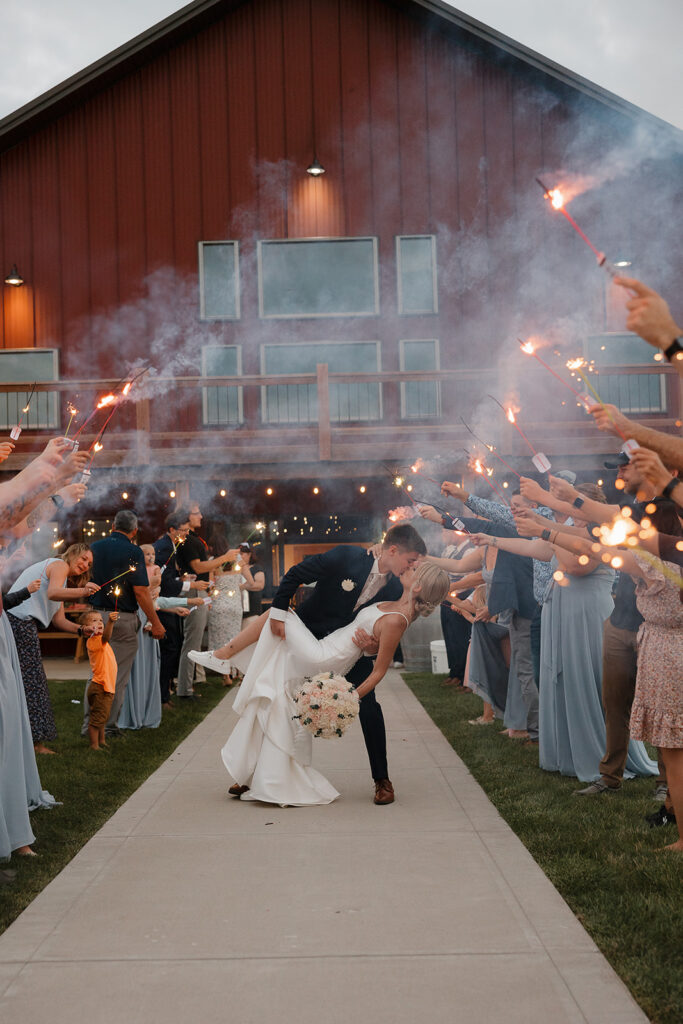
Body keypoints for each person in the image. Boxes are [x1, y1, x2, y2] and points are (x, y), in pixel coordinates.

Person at [194, 523, 428, 804]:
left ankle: (382, 780)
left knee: (369, 706)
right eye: (410, 560)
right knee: (275, 699)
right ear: (392, 550)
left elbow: (385, 632)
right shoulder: (347, 557)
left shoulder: (396, 587)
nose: (412, 566)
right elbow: (295, 575)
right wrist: (279, 612)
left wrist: (372, 648)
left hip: (350, 652)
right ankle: (258, 775)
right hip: (308, 636)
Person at [7, 544, 99, 753]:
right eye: (83, 559)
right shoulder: (59, 565)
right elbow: (53, 593)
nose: (85, 565)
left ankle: (26, 741)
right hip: (19, 623)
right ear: (73, 553)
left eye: (89, 564)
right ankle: (35, 745)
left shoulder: (60, 576)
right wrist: (84, 590)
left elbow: (59, 621)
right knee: (33, 682)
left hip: (18, 623)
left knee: (25, 682)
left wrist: (81, 630)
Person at [85, 510, 164, 738]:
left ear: (112, 526)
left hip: (95, 616)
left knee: (95, 673)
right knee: (115, 676)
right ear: (135, 531)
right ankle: (107, 726)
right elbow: (140, 592)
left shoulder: (95, 547)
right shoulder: (133, 551)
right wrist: (155, 622)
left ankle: (88, 725)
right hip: (121, 618)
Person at [174, 503, 239, 700]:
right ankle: (185, 690)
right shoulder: (188, 541)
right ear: (187, 517)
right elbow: (199, 567)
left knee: (192, 641)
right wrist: (224, 558)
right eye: (197, 513)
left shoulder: (192, 539)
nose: (201, 516)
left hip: (199, 591)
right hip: (194, 593)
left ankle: (186, 687)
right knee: (192, 642)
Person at [207, 531, 254, 686]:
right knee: (234, 639)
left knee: (220, 641)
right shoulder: (238, 559)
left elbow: (210, 585)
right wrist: (237, 587)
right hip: (234, 605)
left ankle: (225, 676)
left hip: (218, 605)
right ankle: (237, 672)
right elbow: (251, 582)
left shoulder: (212, 561)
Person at [80, 609, 119, 750]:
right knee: (96, 719)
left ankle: (101, 740)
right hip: (100, 686)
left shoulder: (100, 641)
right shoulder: (94, 641)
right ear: (86, 628)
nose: (99, 623)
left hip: (105, 685)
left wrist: (108, 623)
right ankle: (94, 745)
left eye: (101, 620)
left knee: (101, 716)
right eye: (94, 620)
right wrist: (110, 622)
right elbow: (107, 637)